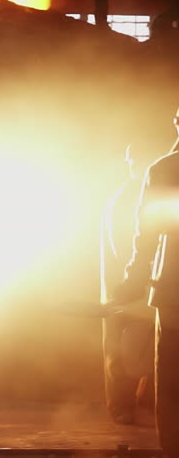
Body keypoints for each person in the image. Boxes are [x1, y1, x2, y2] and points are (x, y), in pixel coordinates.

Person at [108, 108, 179, 457]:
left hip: (173, 288)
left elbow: (147, 233)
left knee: (171, 375)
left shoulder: (165, 168)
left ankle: (174, 444)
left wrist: (133, 279)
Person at [101, 146, 154, 424]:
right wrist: (136, 280)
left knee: (137, 351)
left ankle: (137, 403)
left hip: (134, 285)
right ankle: (122, 408)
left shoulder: (138, 193)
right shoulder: (126, 198)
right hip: (127, 288)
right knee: (122, 353)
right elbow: (124, 247)